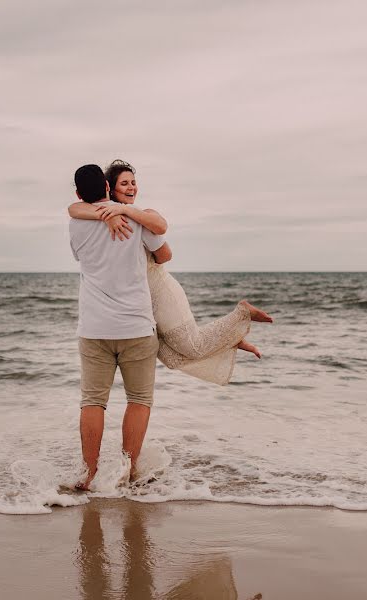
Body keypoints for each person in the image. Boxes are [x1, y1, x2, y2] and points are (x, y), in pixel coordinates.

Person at [69, 160, 273, 386]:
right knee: (171, 358)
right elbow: (73, 208)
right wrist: (108, 214)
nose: (131, 188)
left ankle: (241, 313)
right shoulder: (98, 215)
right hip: (137, 305)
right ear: (109, 187)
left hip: (160, 290)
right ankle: (230, 339)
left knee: (192, 346)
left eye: (133, 183)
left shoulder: (142, 215)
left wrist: (125, 211)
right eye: (124, 183)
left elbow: (165, 253)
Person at [69, 164, 169, 490]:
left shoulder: (76, 224)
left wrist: (108, 213)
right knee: (139, 399)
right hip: (136, 326)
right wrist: (128, 215)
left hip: (94, 327)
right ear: (110, 190)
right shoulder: (136, 220)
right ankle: (128, 471)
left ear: (78, 193)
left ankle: (89, 474)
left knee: (92, 401)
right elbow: (164, 254)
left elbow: (76, 209)